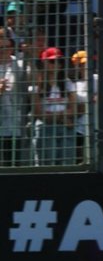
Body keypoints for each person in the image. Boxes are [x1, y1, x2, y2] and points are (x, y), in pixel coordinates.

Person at [28, 47, 78, 166]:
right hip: (47, 128)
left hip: (66, 128)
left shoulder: (67, 83)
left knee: (67, 164)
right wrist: (63, 116)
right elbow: (39, 113)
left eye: (59, 61)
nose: (56, 64)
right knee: (47, 164)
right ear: (43, 64)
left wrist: (55, 116)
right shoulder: (36, 86)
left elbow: (74, 109)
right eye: (51, 61)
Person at [0, 35, 29, 166]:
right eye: (0, 47)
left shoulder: (19, 64)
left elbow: (35, 80)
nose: (3, 50)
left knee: (15, 161)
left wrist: (30, 56)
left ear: (12, 48)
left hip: (16, 122)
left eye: (6, 47)